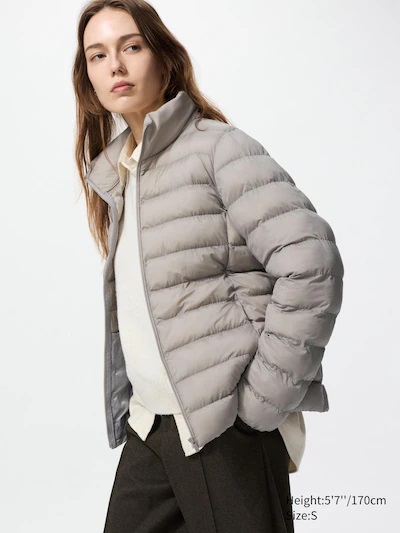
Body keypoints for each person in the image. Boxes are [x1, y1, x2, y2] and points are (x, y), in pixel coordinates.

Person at [73, 1, 344, 532]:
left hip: (221, 427)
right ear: (88, 77)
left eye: (131, 46)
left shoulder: (218, 149)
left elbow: (312, 264)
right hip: (152, 425)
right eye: (97, 55)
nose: (115, 66)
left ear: (165, 58)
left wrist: (259, 402)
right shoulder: (121, 174)